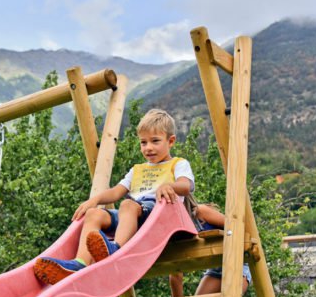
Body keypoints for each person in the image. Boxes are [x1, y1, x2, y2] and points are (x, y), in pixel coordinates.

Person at [34, 109, 195, 285]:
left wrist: (169, 185)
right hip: (133, 216)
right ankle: (80, 263)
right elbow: (116, 191)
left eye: (155, 141)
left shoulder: (178, 164)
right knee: (94, 214)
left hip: (159, 216)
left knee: (127, 204)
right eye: (143, 142)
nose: (148, 147)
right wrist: (94, 200)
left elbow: (186, 186)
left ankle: (116, 249)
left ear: (170, 141)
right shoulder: (137, 170)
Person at [169, 204, 251, 297]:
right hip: (216, 268)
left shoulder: (200, 212)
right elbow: (175, 272)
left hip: (236, 262)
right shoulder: (174, 230)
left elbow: (235, 226)